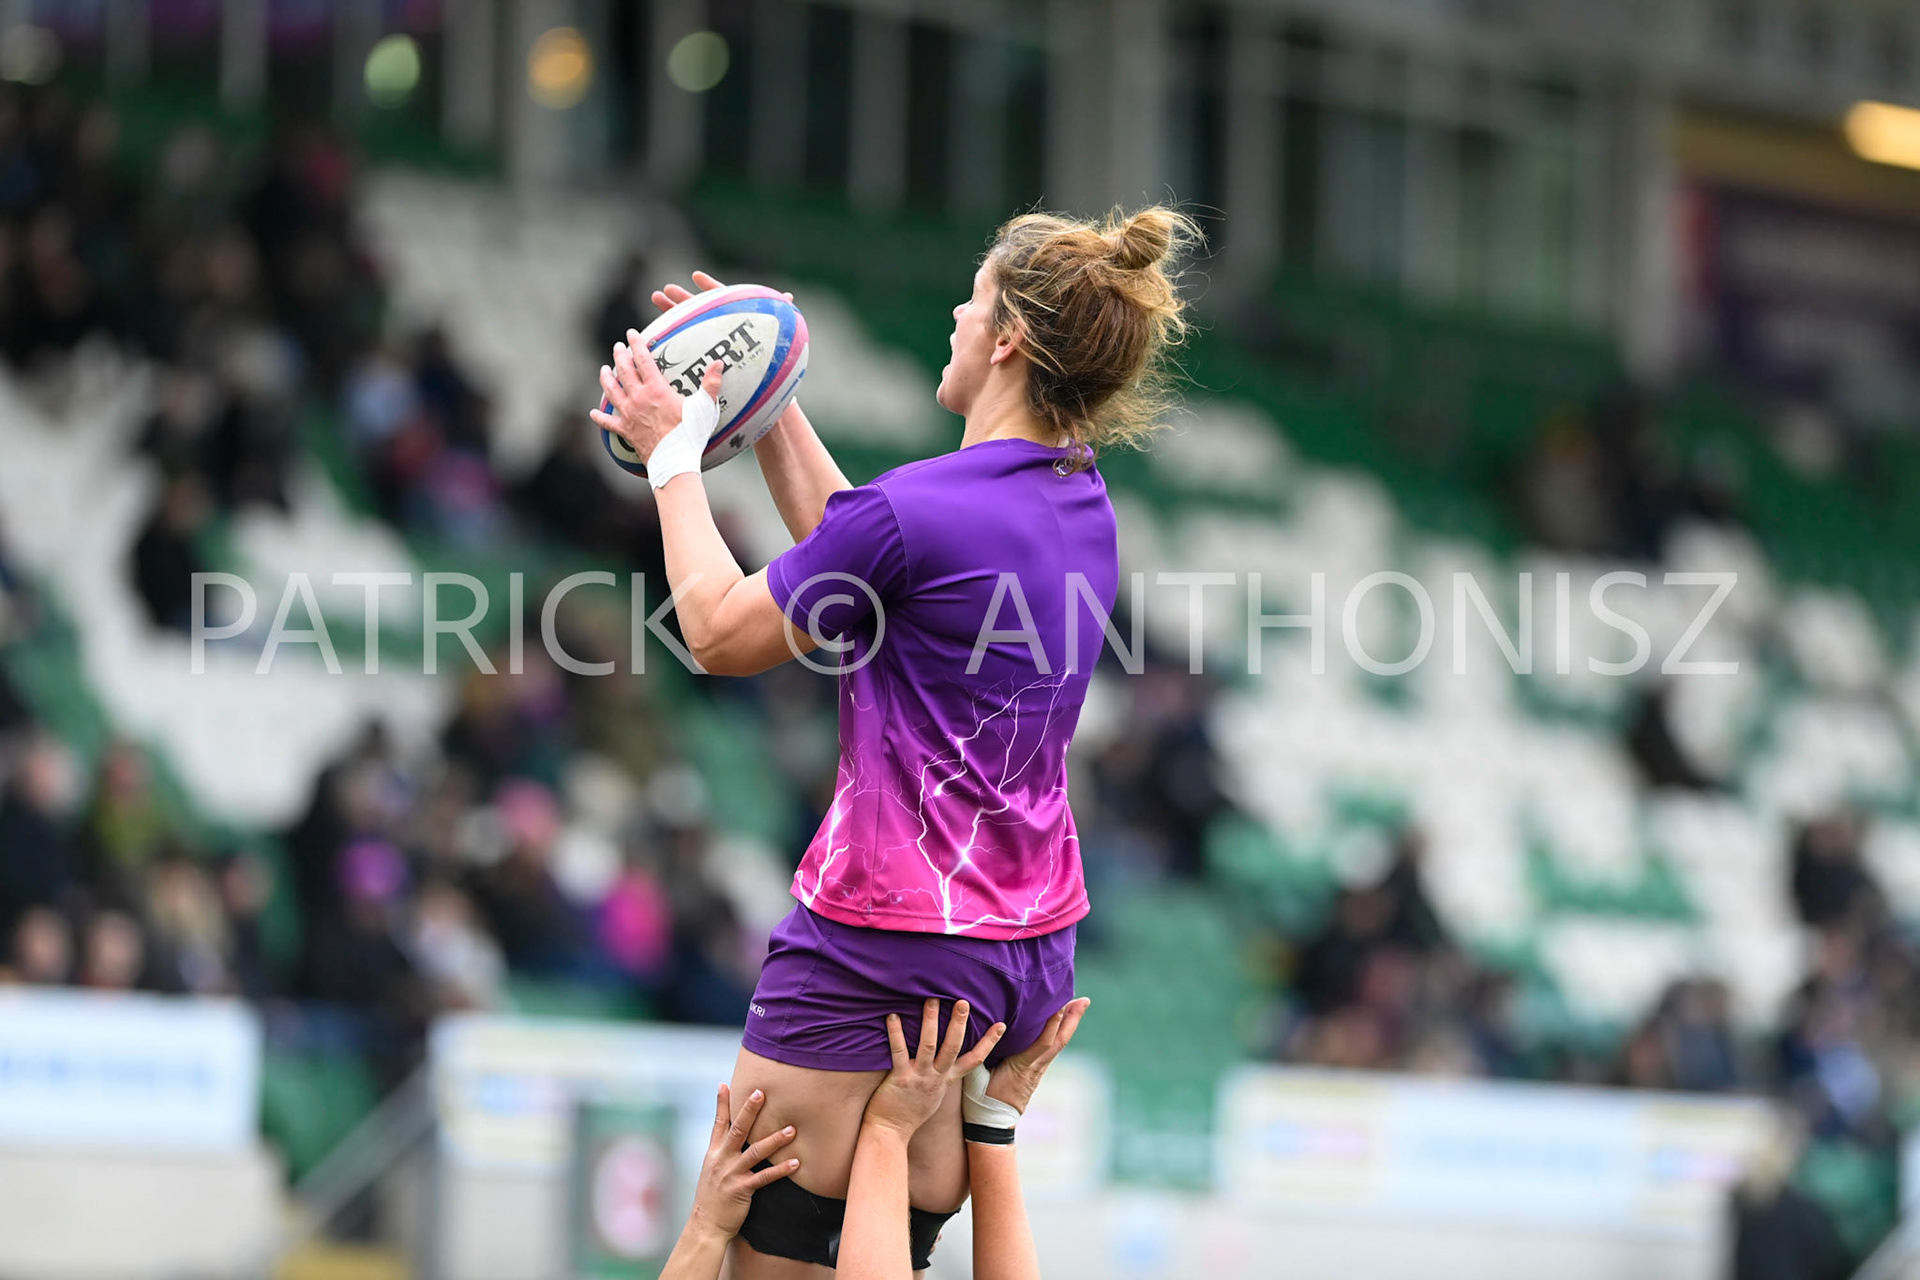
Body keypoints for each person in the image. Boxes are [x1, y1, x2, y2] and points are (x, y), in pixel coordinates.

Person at [593, 205, 1193, 1275]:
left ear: (1006, 337)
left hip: (880, 944)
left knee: (756, 1259)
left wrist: (674, 456)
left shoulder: (922, 510)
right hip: (1020, 958)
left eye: (975, 298)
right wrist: (762, 404)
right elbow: (865, 555)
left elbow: (725, 633)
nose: (958, 314)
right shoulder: (1083, 500)